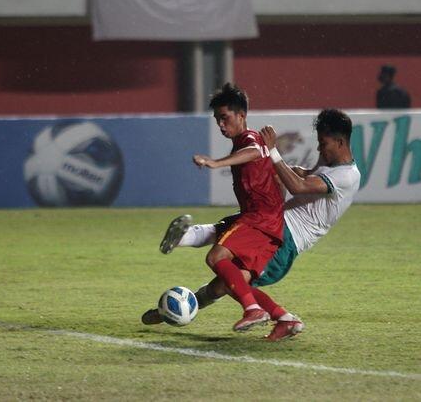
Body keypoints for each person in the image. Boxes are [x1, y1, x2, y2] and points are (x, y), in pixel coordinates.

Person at [148, 109, 360, 341]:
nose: (319, 148)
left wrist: (273, 152)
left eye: (323, 143)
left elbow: (299, 187)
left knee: (225, 282)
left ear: (340, 142)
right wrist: (291, 170)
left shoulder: (347, 176)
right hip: (273, 220)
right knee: (228, 268)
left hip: (286, 238)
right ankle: (183, 248)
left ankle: (277, 316)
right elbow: (308, 176)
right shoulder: (331, 162)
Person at [154, 83, 290, 333]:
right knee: (230, 280)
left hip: (259, 219)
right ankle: (284, 317)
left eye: (225, 118)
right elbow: (273, 174)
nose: (220, 124)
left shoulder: (250, 140)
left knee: (216, 257)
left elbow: (254, 151)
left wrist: (215, 163)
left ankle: (253, 310)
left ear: (242, 116)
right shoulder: (243, 143)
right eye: (217, 119)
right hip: (263, 218)